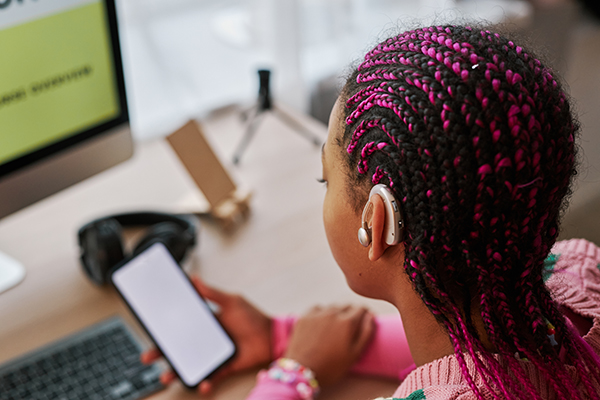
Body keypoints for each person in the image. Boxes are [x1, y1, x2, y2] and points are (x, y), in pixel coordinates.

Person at [144, 25, 600, 399]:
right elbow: (463, 346)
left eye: (326, 180)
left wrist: (291, 376)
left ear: (376, 222)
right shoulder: (579, 274)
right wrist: (282, 336)